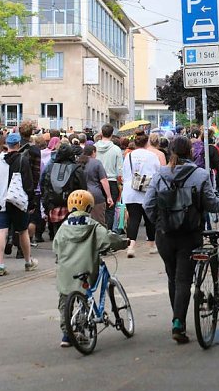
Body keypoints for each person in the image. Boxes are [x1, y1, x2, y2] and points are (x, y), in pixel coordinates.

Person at [142, 135, 219, 343]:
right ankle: (178, 322)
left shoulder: (160, 175)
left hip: (165, 235)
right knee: (184, 279)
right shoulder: (199, 174)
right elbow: (211, 204)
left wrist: (160, 222)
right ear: (191, 152)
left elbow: (148, 204)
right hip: (190, 234)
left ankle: (177, 320)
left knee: (173, 277)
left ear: (170, 151)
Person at [53, 190, 127, 347]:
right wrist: (123, 242)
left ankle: (67, 334)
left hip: (66, 271)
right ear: (89, 208)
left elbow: (56, 246)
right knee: (85, 297)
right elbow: (108, 239)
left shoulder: (63, 227)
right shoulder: (93, 226)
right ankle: (79, 328)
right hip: (86, 268)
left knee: (64, 300)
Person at [0, 132, 38, 276]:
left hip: (1, 201)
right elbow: (28, 182)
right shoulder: (22, 160)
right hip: (17, 201)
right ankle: (28, 261)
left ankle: (0, 264)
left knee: (2, 231)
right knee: (22, 231)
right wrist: (31, 201)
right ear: (18, 145)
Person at [121, 131, 161, 256]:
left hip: (131, 190)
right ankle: (151, 245)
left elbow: (125, 174)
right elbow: (157, 173)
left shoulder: (129, 156)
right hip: (147, 191)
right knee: (150, 218)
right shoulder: (152, 156)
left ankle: (131, 246)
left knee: (133, 219)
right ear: (147, 142)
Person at [94, 124, 123, 230]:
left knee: (96, 210)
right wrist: (120, 183)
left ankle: (97, 232)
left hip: (95, 182)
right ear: (112, 134)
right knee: (110, 211)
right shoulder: (116, 149)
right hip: (111, 181)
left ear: (101, 133)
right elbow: (120, 170)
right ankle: (107, 232)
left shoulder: (94, 148)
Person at [79, 144, 113, 225]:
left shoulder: (78, 162)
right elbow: (104, 180)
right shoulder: (97, 163)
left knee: (83, 223)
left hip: (80, 195)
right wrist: (109, 196)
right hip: (95, 196)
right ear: (93, 152)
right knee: (99, 222)